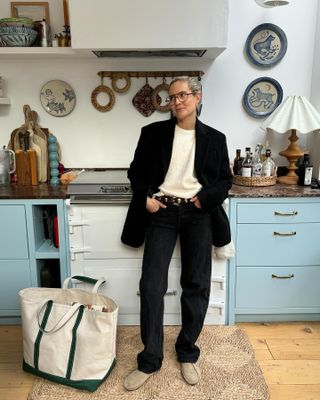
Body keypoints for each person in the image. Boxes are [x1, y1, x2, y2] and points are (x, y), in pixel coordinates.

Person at [121, 76, 233, 391]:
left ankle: (187, 352)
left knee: (196, 284)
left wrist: (204, 199)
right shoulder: (152, 133)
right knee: (152, 284)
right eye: (172, 97)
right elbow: (136, 172)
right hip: (162, 213)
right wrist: (145, 198)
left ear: (197, 97)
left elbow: (225, 180)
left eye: (182, 95)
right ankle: (150, 359)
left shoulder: (215, 138)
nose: (176, 102)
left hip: (198, 215)